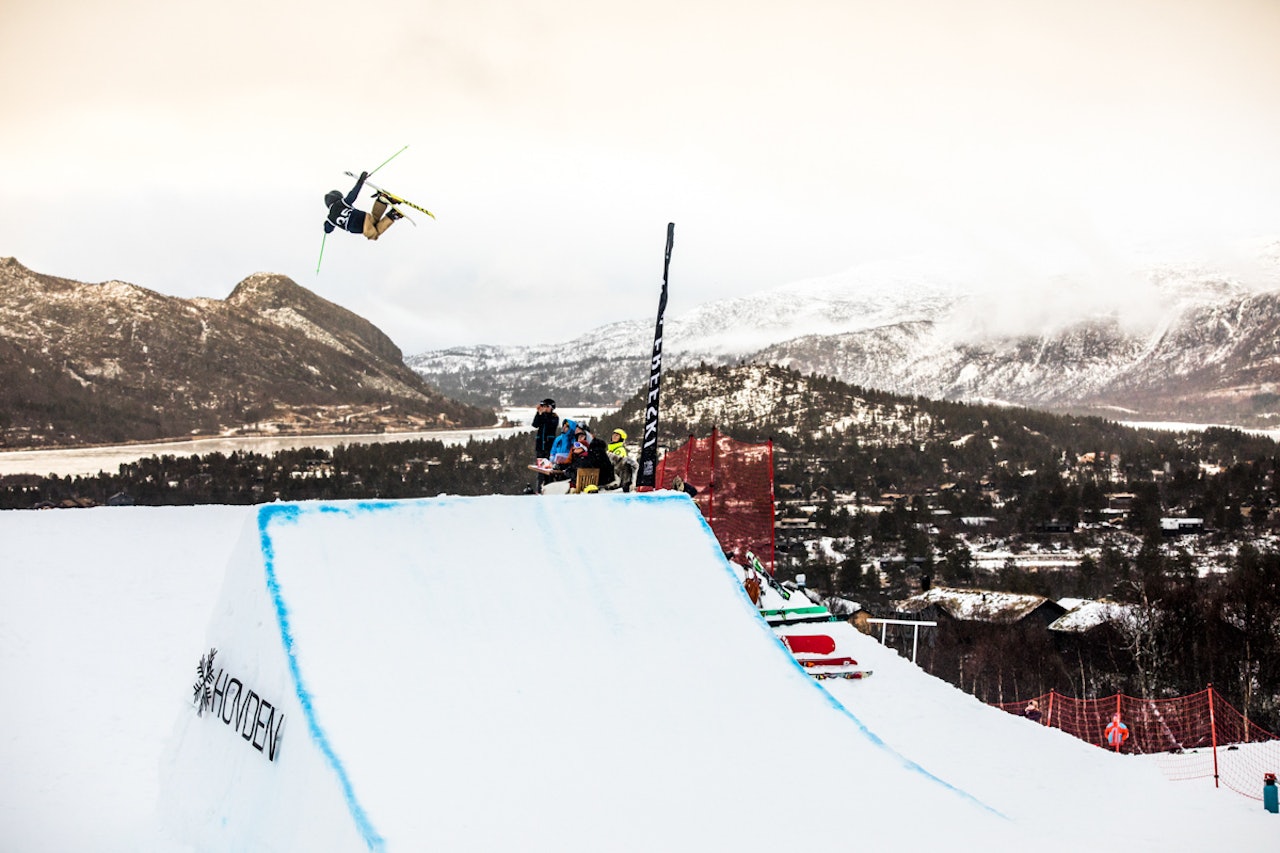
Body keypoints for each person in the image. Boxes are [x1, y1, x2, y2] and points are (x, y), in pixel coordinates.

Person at [323, 170, 402, 241]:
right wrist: (361, 180)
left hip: (358, 227)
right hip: (364, 216)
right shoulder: (341, 203)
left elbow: (328, 230)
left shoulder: (331, 218)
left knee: (374, 235)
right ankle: (381, 201)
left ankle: (393, 215)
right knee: (374, 219)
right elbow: (353, 195)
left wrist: (326, 225)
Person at [606, 428, 638, 492]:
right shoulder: (610, 449)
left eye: (617, 435)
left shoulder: (620, 450)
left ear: (621, 438)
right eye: (614, 435)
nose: (614, 436)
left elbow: (618, 465)